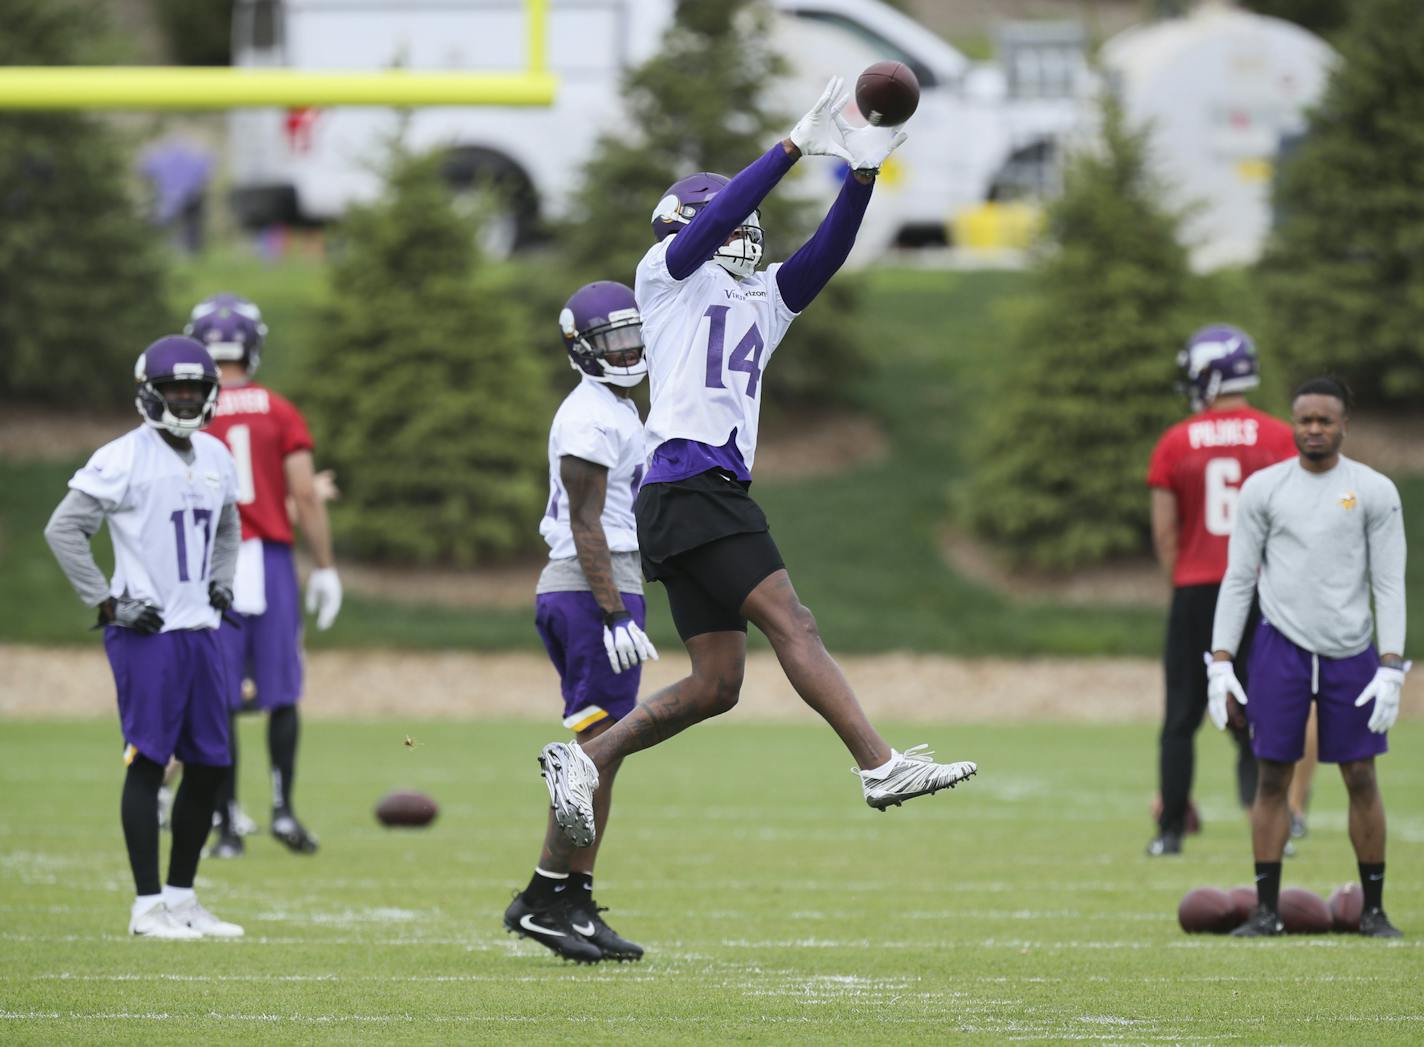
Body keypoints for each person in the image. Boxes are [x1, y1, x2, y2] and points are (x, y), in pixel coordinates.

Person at [534, 79, 977, 899]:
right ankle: (878, 765)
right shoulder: (663, 279)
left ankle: (586, 758)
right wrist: (792, 147)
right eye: (730, 224)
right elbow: (711, 220)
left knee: (717, 684)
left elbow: (822, 257)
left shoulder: (762, 300)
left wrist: (863, 176)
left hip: (693, 491)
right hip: (689, 476)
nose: (743, 234)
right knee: (793, 619)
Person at [43, 336, 244, 938]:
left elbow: (229, 523)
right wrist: (107, 603)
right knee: (151, 761)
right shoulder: (122, 456)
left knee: (210, 765)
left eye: (195, 390)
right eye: (174, 390)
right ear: (149, 392)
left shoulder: (215, 456)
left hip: (200, 630)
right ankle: (146, 906)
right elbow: (64, 529)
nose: (185, 400)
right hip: (148, 631)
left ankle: (182, 898)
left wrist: (221, 580)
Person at [1209, 377, 1408, 938]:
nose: (1314, 429)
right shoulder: (1264, 489)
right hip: (1281, 648)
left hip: (1350, 650)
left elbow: (1389, 583)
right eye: (1305, 420)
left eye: (1325, 420)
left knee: (1361, 775)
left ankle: (1373, 910)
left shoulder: (1373, 490)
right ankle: (1266, 911)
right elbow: (1238, 579)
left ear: (1345, 425)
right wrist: (1221, 658)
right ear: (1293, 423)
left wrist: (1391, 663)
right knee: (1271, 775)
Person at [503, 282, 656, 964]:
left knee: (604, 759)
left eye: (632, 334)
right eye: (612, 339)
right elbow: (584, 520)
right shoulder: (590, 416)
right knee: (592, 759)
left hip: (605, 586)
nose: (626, 349)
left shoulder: (615, 407)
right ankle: (541, 897)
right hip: (590, 589)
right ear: (581, 350)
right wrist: (614, 610)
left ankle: (573, 898)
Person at [187, 293, 343, 858]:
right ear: (252, 346)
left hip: (211, 562)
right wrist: (324, 566)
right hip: (270, 560)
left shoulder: (190, 409)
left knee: (219, 697)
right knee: (281, 692)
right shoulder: (277, 409)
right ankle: (281, 809)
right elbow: (302, 490)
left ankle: (226, 823)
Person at [1144, 325, 1295, 856]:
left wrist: (1180, 582)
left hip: (1197, 588)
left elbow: (1165, 530)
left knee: (1181, 717)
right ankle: (1274, 825)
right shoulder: (1279, 437)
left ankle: (1169, 833)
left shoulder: (1176, 440)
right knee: (1263, 712)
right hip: (1261, 590)